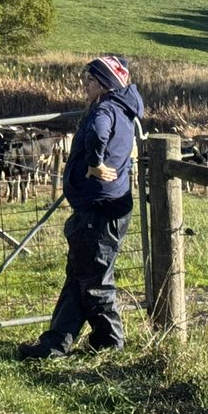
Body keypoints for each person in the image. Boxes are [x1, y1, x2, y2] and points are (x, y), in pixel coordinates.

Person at [18, 54, 144, 360]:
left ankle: (111, 342)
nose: (84, 85)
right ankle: (55, 344)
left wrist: (95, 163)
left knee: (94, 280)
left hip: (99, 208)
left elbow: (98, 132)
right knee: (80, 275)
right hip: (106, 205)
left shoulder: (105, 109)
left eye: (89, 80)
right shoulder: (124, 108)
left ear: (104, 83)